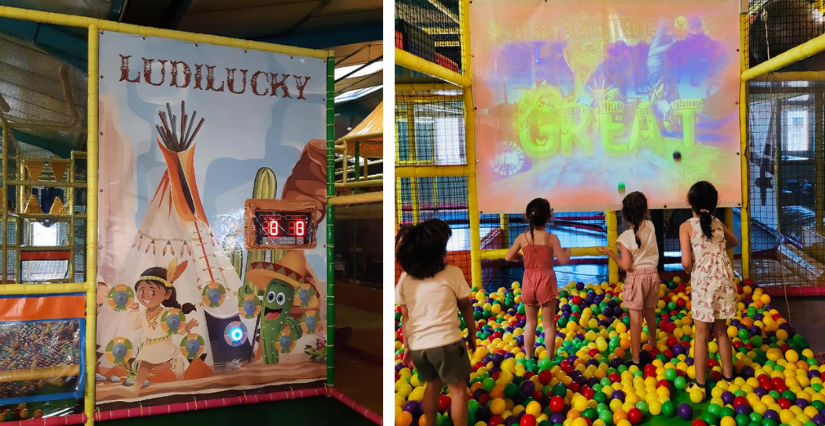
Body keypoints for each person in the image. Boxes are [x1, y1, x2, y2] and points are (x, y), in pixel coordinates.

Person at [395, 219, 477, 426]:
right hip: (447, 344)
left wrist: (407, 345)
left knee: (433, 384)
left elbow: (406, 316)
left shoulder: (405, 278)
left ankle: (429, 422)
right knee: (458, 390)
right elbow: (466, 306)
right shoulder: (452, 274)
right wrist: (472, 333)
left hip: (420, 347)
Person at [679, 181, 738, 400]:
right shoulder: (718, 223)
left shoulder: (686, 226)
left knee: (701, 335)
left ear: (689, 201)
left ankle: (700, 385)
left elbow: (686, 261)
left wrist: (690, 267)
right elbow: (734, 241)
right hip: (724, 280)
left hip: (704, 282)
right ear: (714, 203)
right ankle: (728, 379)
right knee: (721, 332)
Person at [598, 191, 659, 367]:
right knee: (650, 313)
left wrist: (611, 254)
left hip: (636, 279)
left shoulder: (625, 238)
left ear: (624, 215)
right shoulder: (650, 226)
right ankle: (653, 344)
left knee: (635, 320)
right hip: (653, 276)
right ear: (646, 211)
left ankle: (636, 359)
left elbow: (626, 265)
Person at [505, 198, 571, 361]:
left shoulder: (523, 238)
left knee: (530, 323)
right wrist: (568, 251)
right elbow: (562, 260)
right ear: (549, 217)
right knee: (548, 325)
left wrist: (522, 254)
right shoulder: (551, 238)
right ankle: (549, 358)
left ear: (528, 217)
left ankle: (528, 357)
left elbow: (507, 257)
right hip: (546, 281)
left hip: (528, 280)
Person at [128, 259, 198, 391]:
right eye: (141, 291)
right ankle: (137, 385)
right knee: (145, 365)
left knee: (147, 365)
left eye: (152, 292)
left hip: (165, 346)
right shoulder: (143, 314)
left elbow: (180, 330)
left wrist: (187, 328)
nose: (146, 295)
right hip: (149, 346)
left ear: (167, 294)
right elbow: (133, 326)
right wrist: (134, 310)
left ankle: (172, 363)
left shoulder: (168, 314)